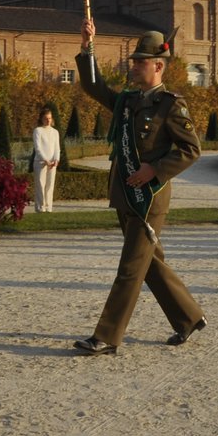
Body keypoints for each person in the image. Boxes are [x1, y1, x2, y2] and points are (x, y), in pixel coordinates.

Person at [72, 18, 205, 355]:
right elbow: (94, 88)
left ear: (158, 66)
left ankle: (106, 336)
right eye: (133, 61)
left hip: (149, 198)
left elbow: (192, 149)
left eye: (140, 62)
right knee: (150, 263)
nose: (133, 67)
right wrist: (87, 45)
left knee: (130, 267)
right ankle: (188, 317)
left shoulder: (171, 105)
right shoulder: (128, 101)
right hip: (125, 193)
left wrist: (154, 170)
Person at [30, 107, 61, 212]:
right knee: (40, 185)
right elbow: (38, 148)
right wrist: (45, 160)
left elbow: (57, 148)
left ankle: (48, 207)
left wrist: (56, 160)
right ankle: (40, 208)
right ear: (41, 119)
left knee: (50, 186)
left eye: (50, 118)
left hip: (52, 163)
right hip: (40, 163)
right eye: (46, 118)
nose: (48, 120)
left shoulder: (55, 132)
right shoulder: (38, 131)